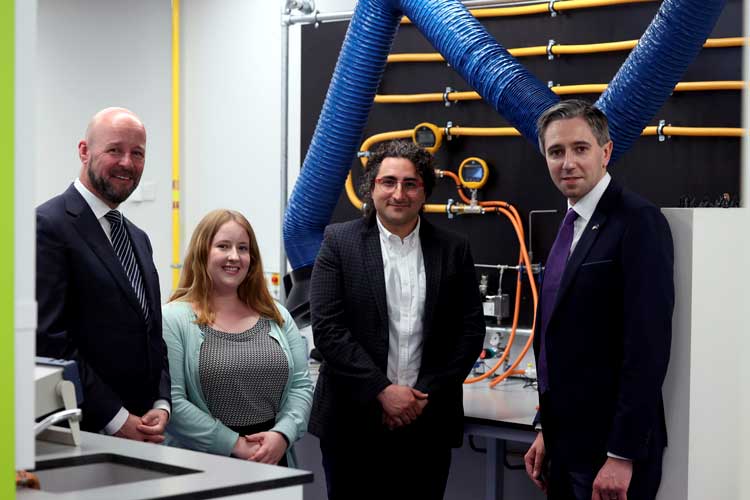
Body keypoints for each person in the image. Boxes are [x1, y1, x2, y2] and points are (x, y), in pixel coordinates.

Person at [309, 140, 485, 499]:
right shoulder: (339, 242)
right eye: (388, 182)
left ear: (424, 192)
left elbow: (469, 332)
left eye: (410, 183)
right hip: (353, 425)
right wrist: (382, 391)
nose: (398, 193)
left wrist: (422, 396)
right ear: (371, 188)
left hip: (427, 423)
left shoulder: (453, 248)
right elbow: (328, 329)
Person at [524, 100, 674, 500]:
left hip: (609, 453)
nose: (567, 162)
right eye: (556, 152)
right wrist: (545, 427)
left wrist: (622, 454)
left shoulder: (637, 221)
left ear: (605, 152)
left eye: (580, 148)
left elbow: (647, 347)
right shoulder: (570, 223)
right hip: (564, 445)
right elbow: (557, 339)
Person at [36, 107, 170, 441]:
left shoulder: (138, 238)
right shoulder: (47, 226)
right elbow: (49, 340)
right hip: (85, 430)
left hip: (144, 427)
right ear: (84, 151)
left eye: (137, 153)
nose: (127, 162)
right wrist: (115, 417)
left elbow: (151, 332)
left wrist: (161, 401)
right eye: (115, 150)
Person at [162, 209, 313, 466]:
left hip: (273, 458)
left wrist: (282, 435)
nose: (235, 256)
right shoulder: (173, 318)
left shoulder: (277, 315)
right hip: (204, 463)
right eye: (223, 246)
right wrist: (234, 444)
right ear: (202, 252)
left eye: (243, 248)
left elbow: (301, 387)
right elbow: (173, 400)